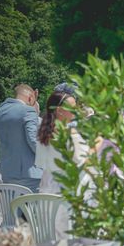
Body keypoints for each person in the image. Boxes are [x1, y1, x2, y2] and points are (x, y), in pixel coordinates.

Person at [35, 91, 88, 238]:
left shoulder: (42, 133)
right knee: (67, 239)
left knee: (49, 236)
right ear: (59, 110)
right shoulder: (69, 133)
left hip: (46, 189)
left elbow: (39, 162)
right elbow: (83, 160)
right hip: (65, 192)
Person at [0, 84, 43, 191]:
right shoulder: (28, 111)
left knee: (12, 205)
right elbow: (33, 141)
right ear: (30, 97)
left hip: (6, 171)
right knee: (32, 207)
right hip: (29, 174)